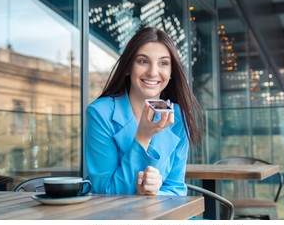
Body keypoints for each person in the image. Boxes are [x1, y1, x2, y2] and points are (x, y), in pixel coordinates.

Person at [85, 27, 202, 196]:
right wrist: (142, 137)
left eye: (163, 63)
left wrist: (153, 194)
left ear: (171, 73)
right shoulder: (99, 113)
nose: (153, 72)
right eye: (142, 61)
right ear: (127, 68)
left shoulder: (178, 117)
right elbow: (105, 191)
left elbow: (176, 189)